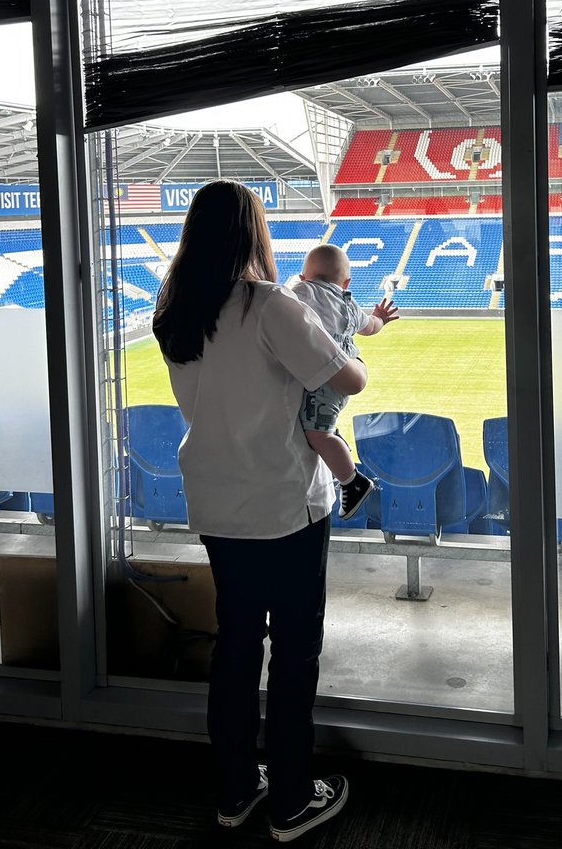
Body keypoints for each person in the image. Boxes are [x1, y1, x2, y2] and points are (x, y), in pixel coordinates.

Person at [152, 179, 366, 842]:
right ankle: (293, 803)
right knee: (296, 653)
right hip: (284, 501)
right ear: (253, 233)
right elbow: (346, 379)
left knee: (237, 647)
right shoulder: (269, 305)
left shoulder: (176, 308)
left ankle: (237, 791)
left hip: (217, 501)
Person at [291, 244, 399, 520]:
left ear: (303, 278)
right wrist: (380, 319)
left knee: (318, 434)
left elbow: (282, 309)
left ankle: (352, 480)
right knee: (324, 427)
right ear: (346, 282)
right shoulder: (348, 302)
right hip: (344, 373)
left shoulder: (303, 291)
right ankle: (336, 444)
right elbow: (370, 327)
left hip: (325, 378)